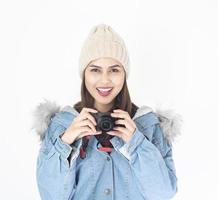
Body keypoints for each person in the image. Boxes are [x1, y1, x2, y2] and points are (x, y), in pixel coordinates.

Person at [32, 23, 182, 200]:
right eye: (95, 70)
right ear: (84, 74)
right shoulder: (62, 125)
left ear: (124, 74)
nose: (105, 80)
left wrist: (136, 143)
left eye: (114, 70)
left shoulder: (147, 125)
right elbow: (51, 196)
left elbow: (162, 194)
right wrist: (65, 143)